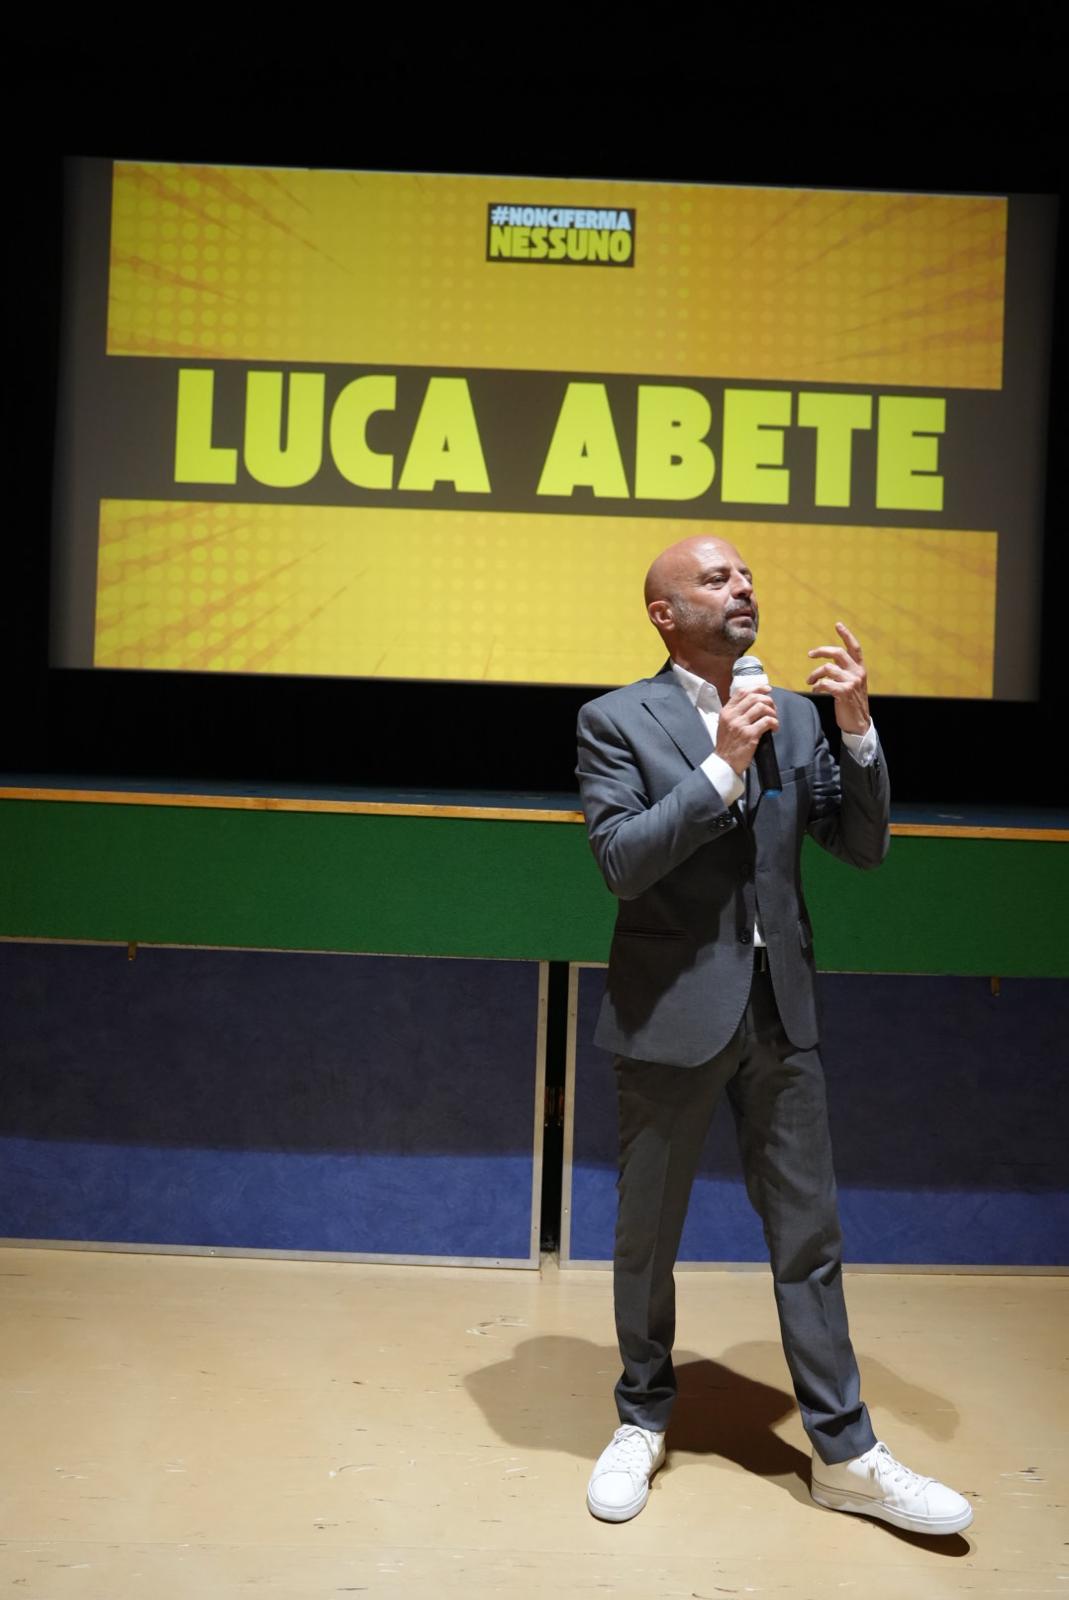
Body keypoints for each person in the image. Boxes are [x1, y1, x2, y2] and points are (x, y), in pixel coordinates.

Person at [576, 534, 972, 1536]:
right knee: (646, 1236)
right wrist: (720, 767)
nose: (742, 587)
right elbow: (621, 861)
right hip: (669, 1013)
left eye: (745, 575)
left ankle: (844, 1453)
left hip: (780, 1012)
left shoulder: (793, 715)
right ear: (665, 613)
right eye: (716, 579)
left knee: (809, 1235)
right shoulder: (614, 720)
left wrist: (856, 729)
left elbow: (861, 846)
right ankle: (641, 1415)